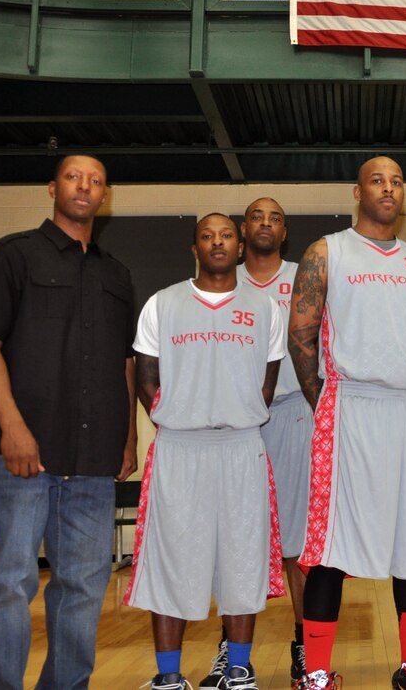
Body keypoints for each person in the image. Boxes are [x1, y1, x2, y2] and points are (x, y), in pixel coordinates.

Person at [0, 154, 137, 690]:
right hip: (23, 460)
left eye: (96, 180)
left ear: (104, 196)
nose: (84, 186)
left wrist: (127, 436)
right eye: (73, 176)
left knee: (83, 588)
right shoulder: (12, 256)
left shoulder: (116, 274)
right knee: (11, 585)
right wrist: (11, 427)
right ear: (52, 187)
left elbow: (124, 362)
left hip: (92, 465)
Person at [288, 156, 406, 690]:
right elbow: (301, 338)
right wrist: (325, 402)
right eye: (378, 180)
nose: (389, 188)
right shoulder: (326, 252)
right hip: (350, 404)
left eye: (398, 181)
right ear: (358, 191)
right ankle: (315, 673)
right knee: (331, 546)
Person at [126, 213, 285, 690]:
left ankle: (238, 668)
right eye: (207, 236)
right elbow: (146, 378)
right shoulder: (162, 304)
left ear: (239, 247)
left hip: (241, 446)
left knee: (243, 560)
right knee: (172, 560)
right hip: (179, 446)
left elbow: (267, 383)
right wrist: (180, 413)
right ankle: (168, 676)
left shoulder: (265, 308)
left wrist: (232, 410)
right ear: (193, 248)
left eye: (226, 235)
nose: (217, 242)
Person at [198, 198, 314, 688]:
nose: (266, 223)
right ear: (243, 230)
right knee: (234, 543)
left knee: (298, 547)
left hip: (292, 413)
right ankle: (232, 650)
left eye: (275, 217)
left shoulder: (305, 278)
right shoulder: (222, 279)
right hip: (235, 424)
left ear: (285, 231)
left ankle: (307, 648)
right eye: (256, 217)